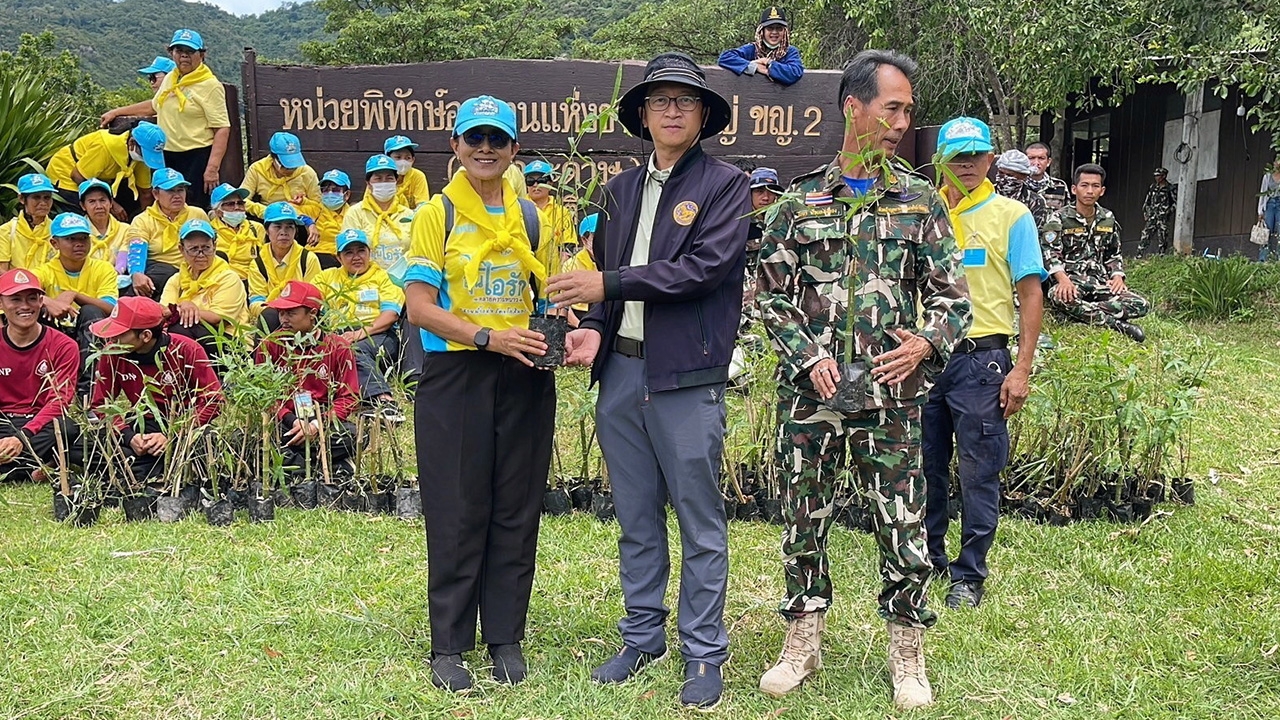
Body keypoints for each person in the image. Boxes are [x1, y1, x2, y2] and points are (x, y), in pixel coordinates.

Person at [754, 49, 971, 710]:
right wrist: (807, 356)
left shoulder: (919, 200)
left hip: (891, 398)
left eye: (908, 111)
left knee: (902, 523)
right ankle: (802, 640)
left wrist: (924, 345)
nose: (903, 122)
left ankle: (908, 652)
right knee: (803, 517)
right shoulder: (798, 203)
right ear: (854, 107)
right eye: (892, 108)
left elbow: (954, 299)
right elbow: (771, 295)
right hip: (812, 398)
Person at [547, 52, 747, 710]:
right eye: (659, 100)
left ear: (703, 115)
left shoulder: (724, 185)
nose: (671, 110)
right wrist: (593, 326)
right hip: (623, 372)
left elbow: (702, 270)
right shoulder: (619, 190)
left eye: (685, 101)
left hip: (685, 375)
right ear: (641, 115)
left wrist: (605, 285)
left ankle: (704, 651)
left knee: (698, 520)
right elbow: (606, 281)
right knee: (635, 516)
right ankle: (641, 636)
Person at [403, 94, 555, 693]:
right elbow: (419, 308)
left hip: (523, 374)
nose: (485, 149)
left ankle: (506, 637)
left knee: (516, 505)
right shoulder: (436, 214)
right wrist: (488, 336)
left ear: (514, 149)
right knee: (457, 507)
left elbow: (544, 298)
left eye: (497, 139)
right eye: (475, 138)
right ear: (456, 146)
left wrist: (565, 330)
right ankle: (449, 644)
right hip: (457, 375)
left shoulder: (533, 219)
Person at [924, 117, 1046, 610]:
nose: (967, 164)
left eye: (976, 154)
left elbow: (1031, 293)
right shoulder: (921, 212)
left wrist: (1022, 368)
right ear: (939, 162)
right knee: (924, 467)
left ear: (991, 158)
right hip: (924, 361)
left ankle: (969, 574)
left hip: (982, 362)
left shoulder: (1011, 216)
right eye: (956, 156)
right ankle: (927, 560)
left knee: (979, 472)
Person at [89, 295, 224, 484]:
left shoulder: (186, 349)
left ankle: (153, 467)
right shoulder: (112, 352)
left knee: (206, 442)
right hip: (143, 424)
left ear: (145, 335)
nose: (112, 338)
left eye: (120, 334)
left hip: (183, 423)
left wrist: (173, 434)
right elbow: (101, 403)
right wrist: (129, 437)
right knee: (85, 446)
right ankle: (153, 465)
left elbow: (214, 400)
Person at [101, 30, 231, 210]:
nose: (184, 56)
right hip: (165, 154)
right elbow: (155, 105)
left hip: (195, 157)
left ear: (202, 55)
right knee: (164, 206)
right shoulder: (172, 77)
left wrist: (212, 168)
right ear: (171, 53)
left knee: (192, 209)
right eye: (179, 50)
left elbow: (222, 128)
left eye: (190, 51)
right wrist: (116, 112)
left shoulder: (210, 85)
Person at [255, 280, 361, 484]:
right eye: (281, 313)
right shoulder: (269, 345)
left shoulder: (337, 347)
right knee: (250, 439)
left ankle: (294, 467)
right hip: (283, 422)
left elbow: (349, 397)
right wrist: (291, 420)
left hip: (321, 419)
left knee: (353, 435)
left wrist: (316, 425)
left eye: (291, 313)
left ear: (312, 313)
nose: (283, 319)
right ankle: (327, 467)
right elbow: (264, 394)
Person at [1041, 164, 1148, 342]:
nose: (1090, 191)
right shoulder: (1058, 218)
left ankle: (1081, 313)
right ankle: (1116, 324)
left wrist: (1117, 276)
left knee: (1141, 304)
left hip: (1099, 282)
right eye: (1084, 185)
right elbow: (1050, 253)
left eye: (1095, 186)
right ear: (1074, 189)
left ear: (1102, 190)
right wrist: (1062, 280)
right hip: (1071, 282)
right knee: (1060, 298)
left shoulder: (1107, 218)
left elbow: (1113, 253)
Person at [0, 269, 80, 479]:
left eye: (32, 298)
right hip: (4, 421)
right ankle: (36, 468)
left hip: (40, 423)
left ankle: (16, 468)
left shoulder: (64, 346)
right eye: (15, 299)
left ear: (41, 301)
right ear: (1, 303)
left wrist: (22, 438)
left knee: (67, 429)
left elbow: (59, 401)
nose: (25, 306)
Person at [314, 228, 404, 412]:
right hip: (337, 334)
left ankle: (383, 400)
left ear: (369, 252)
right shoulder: (326, 277)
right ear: (339, 258)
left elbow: (391, 315)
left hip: (377, 334)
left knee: (353, 350)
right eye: (349, 252)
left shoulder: (382, 277)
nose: (356, 257)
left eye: (361, 251)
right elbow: (305, 298)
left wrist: (358, 334)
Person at [33, 213, 118, 388]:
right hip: (56, 330)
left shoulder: (103, 268)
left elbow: (111, 308)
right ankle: (42, 381)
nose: (79, 244)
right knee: (36, 308)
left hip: (90, 333)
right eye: (71, 239)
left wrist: (75, 295)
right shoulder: (44, 271)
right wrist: (47, 301)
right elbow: (17, 292)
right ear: (54, 243)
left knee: (91, 311)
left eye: (84, 238)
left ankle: (89, 386)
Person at [159, 219, 249, 356]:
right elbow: (164, 312)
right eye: (194, 249)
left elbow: (217, 318)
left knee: (181, 328)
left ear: (215, 246)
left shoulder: (228, 278)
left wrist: (184, 309)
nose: (201, 255)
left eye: (206, 248)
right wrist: (183, 306)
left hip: (230, 343)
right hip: (194, 334)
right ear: (181, 249)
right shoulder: (176, 280)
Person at [46, 120, 166, 218]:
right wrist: (112, 204)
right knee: (87, 216)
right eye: (145, 154)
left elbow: (145, 192)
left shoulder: (140, 156)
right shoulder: (103, 148)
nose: (146, 158)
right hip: (68, 175)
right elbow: (77, 176)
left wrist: (147, 220)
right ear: (132, 143)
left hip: (98, 179)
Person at [124, 167, 210, 298]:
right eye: (170, 190)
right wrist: (137, 273)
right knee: (164, 273)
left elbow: (211, 244)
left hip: (193, 267)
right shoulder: (142, 220)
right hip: (159, 272)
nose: (177, 196)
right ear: (155, 194)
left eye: (180, 190)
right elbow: (137, 250)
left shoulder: (197, 214)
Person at [248, 202, 323, 329]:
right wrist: (279, 311)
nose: (284, 232)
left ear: (295, 231)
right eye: (277, 227)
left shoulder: (307, 258)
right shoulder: (258, 263)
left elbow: (314, 297)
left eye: (289, 227)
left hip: (301, 316)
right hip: (270, 314)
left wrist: (290, 311)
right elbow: (256, 301)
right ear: (267, 230)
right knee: (270, 316)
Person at [342, 155, 415, 281]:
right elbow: (348, 251)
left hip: (404, 281)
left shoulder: (409, 215)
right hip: (365, 282)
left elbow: (417, 251)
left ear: (396, 182)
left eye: (389, 178)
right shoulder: (355, 213)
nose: (384, 183)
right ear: (368, 184)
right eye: (378, 179)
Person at [718, 7, 805, 86]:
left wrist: (768, 63)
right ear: (762, 31)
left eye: (779, 28)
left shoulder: (790, 51)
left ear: (784, 31)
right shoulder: (752, 49)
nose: (774, 32)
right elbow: (725, 58)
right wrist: (755, 67)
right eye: (770, 28)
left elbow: (794, 72)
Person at [241, 131, 322, 216]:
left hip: (299, 218)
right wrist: (266, 211)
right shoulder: (257, 169)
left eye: (295, 165)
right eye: (286, 166)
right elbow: (241, 200)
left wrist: (302, 204)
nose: (291, 170)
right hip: (268, 218)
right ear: (274, 158)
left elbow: (318, 206)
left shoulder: (307, 172)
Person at [295, 169, 354, 268]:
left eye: (335, 190)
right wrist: (309, 223)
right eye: (325, 190)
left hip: (342, 259)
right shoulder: (316, 209)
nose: (330, 193)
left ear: (347, 194)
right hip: (315, 256)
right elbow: (288, 210)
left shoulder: (353, 213)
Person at [0, 173, 57, 272]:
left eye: (47, 197)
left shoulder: (57, 231)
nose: (43, 203)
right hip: (16, 282)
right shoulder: (6, 231)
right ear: (22, 199)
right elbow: (2, 271)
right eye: (36, 197)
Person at [208, 184, 265, 280]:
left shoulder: (257, 228)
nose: (237, 207)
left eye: (240, 203)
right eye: (230, 204)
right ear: (218, 211)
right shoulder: (209, 232)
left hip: (254, 280)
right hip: (223, 281)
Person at [523, 160, 576, 252]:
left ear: (550, 183)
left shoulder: (562, 213)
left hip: (553, 260)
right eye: (530, 181)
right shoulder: (518, 208)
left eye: (541, 181)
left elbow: (568, 246)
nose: (536, 185)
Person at [77, 179, 130, 265]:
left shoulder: (125, 230)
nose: (99, 206)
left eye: (102, 200)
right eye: (92, 201)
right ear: (83, 206)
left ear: (111, 203)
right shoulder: (76, 233)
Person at [992, 149, 1049, 228]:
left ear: (1024, 177)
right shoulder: (987, 194)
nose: (1004, 178)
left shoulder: (1036, 201)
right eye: (1001, 173)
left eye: (1010, 175)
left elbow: (1036, 230)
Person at [562, 213, 598, 326]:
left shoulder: (617, 262)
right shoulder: (570, 266)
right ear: (585, 240)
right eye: (597, 237)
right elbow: (563, 304)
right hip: (579, 318)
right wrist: (580, 326)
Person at [384, 135, 431, 208]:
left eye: (408, 158)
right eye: (398, 157)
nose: (403, 162)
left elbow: (422, 206)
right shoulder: (379, 177)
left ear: (413, 160)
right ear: (388, 159)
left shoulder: (418, 176)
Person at [1141, 167, 1178, 255]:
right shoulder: (1153, 187)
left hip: (1163, 217)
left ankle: (1161, 255)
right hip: (1152, 216)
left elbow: (1176, 203)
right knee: (1146, 235)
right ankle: (1139, 254)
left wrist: (1168, 212)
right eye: (1155, 176)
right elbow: (1147, 201)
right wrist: (1146, 212)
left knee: (1163, 237)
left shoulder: (1170, 188)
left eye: (1158, 176)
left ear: (1164, 176)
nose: (1156, 178)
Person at [1025, 142, 1070, 213]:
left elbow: (1066, 213)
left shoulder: (1060, 186)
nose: (1036, 163)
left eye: (1041, 158)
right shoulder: (1018, 185)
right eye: (1031, 158)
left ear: (1048, 162)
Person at [1260, 158, 1280, 261]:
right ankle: (1263, 259)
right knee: (1266, 231)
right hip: (1270, 203)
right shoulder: (1268, 176)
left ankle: (1278, 259)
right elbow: (1263, 192)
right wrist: (1260, 211)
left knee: (1279, 231)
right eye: (1277, 161)